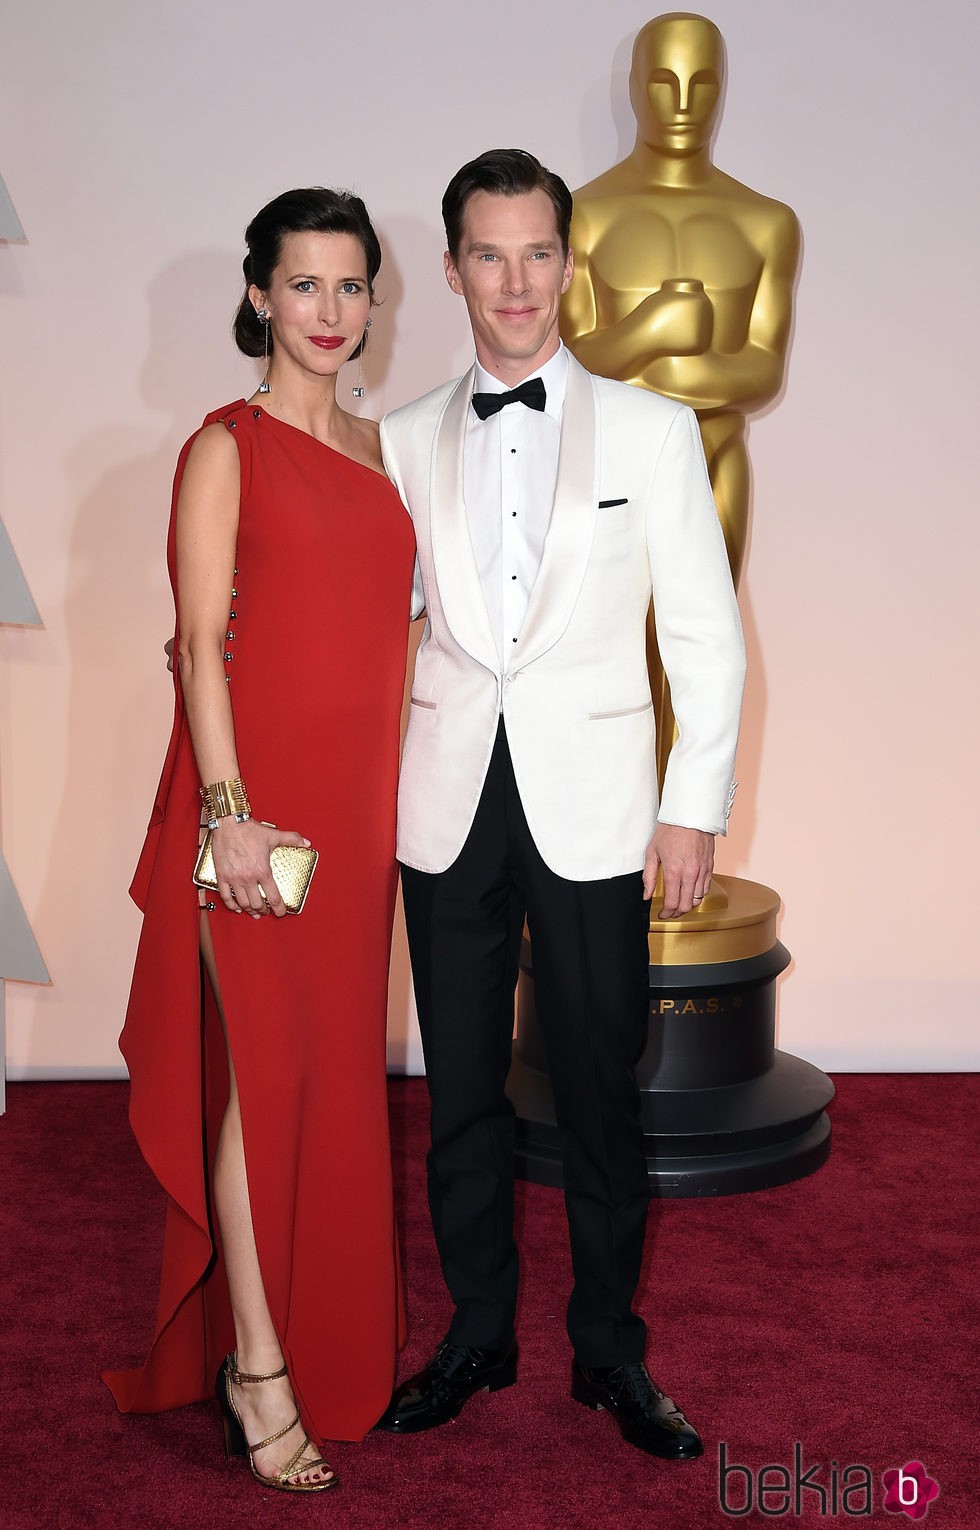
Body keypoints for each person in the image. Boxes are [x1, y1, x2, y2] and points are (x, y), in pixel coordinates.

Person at [375, 150, 745, 1460]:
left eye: (539, 252)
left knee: (600, 1090)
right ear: (454, 268)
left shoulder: (653, 427)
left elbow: (706, 634)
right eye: (490, 253)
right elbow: (381, 629)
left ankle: (608, 1351)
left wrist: (693, 806)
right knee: (463, 1090)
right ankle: (478, 1328)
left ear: (570, 263)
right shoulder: (402, 435)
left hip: (597, 806)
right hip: (447, 801)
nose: (517, 280)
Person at [103, 188, 415, 1492]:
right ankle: (259, 1368)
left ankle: (314, 1337)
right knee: (264, 1082)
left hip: (359, 809)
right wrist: (229, 818)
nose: (331, 313)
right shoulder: (223, 446)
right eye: (306, 286)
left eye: (351, 288)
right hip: (259, 816)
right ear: (258, 296)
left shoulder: (383, 452)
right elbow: (199, 645)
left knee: (332, 1077)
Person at [561, 12, 799, 778]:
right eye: (663, 82)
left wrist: (640, 358)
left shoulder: (764, 223)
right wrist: (660, 325)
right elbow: (567, 357)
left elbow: (760, 372)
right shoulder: (582, 216)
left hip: (716, 459)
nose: (684, 101)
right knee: (613, 656)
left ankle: (683, 842)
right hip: (611, 468)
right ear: (635, 88)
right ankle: (613, 851)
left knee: (700, 656)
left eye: (703, 83)